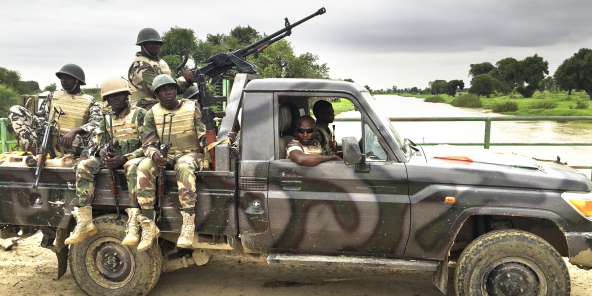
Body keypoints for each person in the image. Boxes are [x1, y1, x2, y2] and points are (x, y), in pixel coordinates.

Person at [65, 77, 147, 245]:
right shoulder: (106, 120)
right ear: (107, 100)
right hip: (113, 160)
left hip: (135, 158)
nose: (116, 98)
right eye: (111, 96)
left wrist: (125, 158)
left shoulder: (139, 115)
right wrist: (103, 153)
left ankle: (133, 223)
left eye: (119, 94)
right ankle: (85, 221)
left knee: (131, 167)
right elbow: (101, 144)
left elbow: (148, 145)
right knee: (84, 166)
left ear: (126, 96)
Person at [134, 74, 207, 250]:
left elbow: (203, 135)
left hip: (192, 154)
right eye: (163, 90)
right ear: (157, 94)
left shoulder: (192, 107)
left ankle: (188, 223)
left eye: (171, 88)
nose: (168, 92)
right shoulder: (152, 114)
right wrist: (154, 155)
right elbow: (148, 143)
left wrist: (212, 153)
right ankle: (148, 224)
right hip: (166, 155)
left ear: (176, 90)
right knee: (143, 166)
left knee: (183, 165)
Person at [8, 64, 101, 158]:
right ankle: (38, 152)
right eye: (62, 77)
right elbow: (40, 116)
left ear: (77, 80)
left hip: (73, 142)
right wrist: (49, 128)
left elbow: (98, 122)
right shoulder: (52, 96)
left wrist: (75, 131)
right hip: (49, 137)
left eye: (68, 78)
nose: (64, 80)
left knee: (99, 133)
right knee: (15, 110)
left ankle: (84, 158)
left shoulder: (90, 100)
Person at [128, 28, 194, 110]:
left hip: (161, 105)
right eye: (152, 43)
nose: (156, 46)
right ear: (143, 45)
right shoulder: (139, 65)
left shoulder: (161, 63)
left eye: (158, 43)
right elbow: (158, 89)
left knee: (191, 106)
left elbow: (174, 90)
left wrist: (188, 81)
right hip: (143, 108)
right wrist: (183, 79)